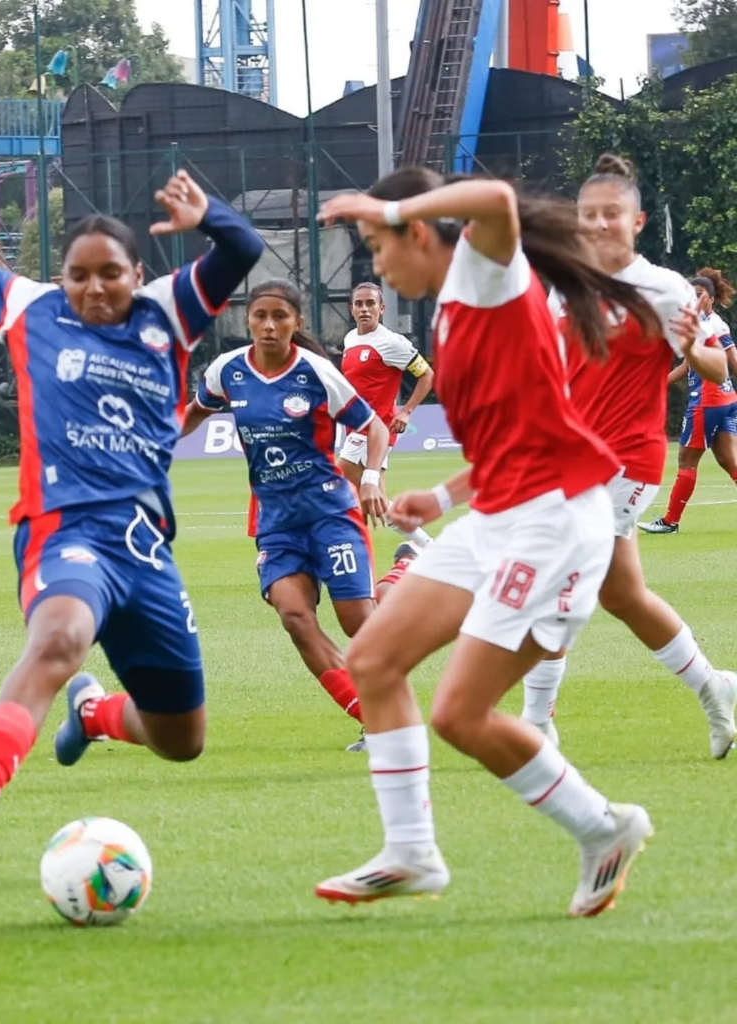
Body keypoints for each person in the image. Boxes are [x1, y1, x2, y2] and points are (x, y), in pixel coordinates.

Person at [0, 119, 265, 848]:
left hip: (147, 548)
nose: (95, 287)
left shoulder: (169, 312)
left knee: (181, 738)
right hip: (65, 526)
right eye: (80, 274)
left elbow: (243, 249)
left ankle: (92, 716)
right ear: (61, 279)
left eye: (111, 273)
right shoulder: (30, 310)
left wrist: (207, 216)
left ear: (135, 273)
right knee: (59, 640)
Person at [312, 167, 663, 918]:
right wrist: (441, 497)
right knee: (373, 659)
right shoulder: (450, 313)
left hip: (557, 524)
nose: (374, 263)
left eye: (377, 242)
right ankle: (411, 853)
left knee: (460, 715)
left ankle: (604, 829)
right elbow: (519, 434)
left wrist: (393, 202)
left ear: (415, 231)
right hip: (500, 516)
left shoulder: (483, 268)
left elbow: (496, 199)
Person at [519, 158, 735, 760]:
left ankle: (536, 726)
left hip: (626, 462)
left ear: (636, 220)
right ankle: (714, 687)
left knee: (561, 578)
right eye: (588, 215)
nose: (598, 224)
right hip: (572, 457)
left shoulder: (664, 288)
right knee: (624, 595)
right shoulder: (566, 283)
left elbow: (718, 368)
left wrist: (694, 343)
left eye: (610, 214)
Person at [182, 279, 388, 750]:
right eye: (260, 316)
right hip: (277, 523)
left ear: (296, 323)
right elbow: (195, 412)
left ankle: (398, 579)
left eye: (280, 317)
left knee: (359, 620)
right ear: (246, 320)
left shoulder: (316, 371)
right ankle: (375, 719)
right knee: (294, 616)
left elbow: (371, 426)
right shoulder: (226, 372)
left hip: (330, 514)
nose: (269, 326)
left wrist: (372, 477)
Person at [340, 282, 435, 558]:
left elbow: (427, 375)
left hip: (374, 429)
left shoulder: (391, 343)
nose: (364, 309)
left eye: (371, 304)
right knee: (376, 503)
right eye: (359, 304)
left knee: (335, 477)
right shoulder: (349, 339)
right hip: (354, 428)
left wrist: (406, 411)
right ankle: (429, 550)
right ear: (352, 309)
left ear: (382, 308)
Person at [640, 267, 737, 534]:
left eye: (699, 295)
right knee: (731, 462)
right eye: (690, 295)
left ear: (711, 298)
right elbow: (686, 367)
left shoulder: (714, 325)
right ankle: (670, 521)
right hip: (725, 399)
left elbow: (732, 361)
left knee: (686, 461)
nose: (693, 300)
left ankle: (670, 521)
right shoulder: (700, 324)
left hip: (709, 400)